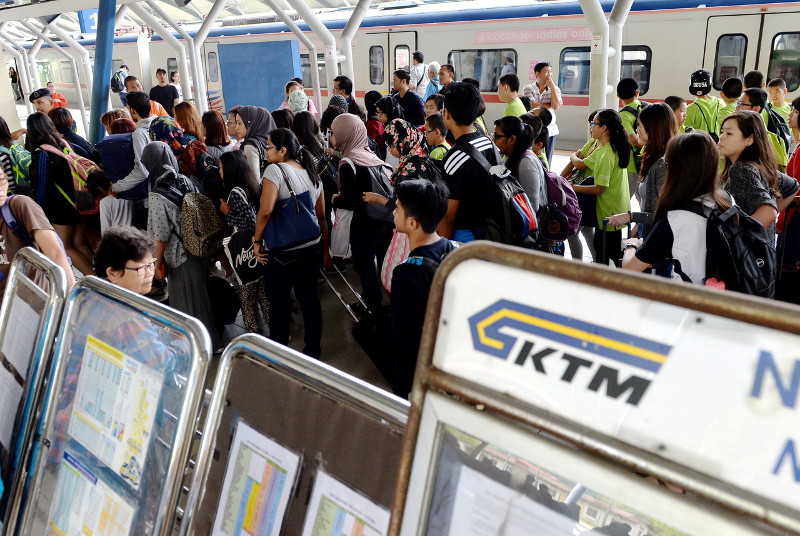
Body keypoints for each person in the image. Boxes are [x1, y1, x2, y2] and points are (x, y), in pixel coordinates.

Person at [252, 128, 329, 358]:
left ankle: (280, 353)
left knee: (278, 303)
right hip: (312, 245)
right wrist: (326, 251)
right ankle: (313, 351)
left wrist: (257, 241)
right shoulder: (312, 171)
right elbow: (322, 216)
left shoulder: (275, 170)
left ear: (282, 151)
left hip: (283, 252)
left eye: (268, 147)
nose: (265, 151)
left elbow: (265, 212)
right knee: (309, 300)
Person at [622, 131, 731, 284]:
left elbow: (629, 268)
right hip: (723, 294)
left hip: (687, 298)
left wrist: (631, 244)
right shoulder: (726, 199)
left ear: (676, 169)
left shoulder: (676, 218)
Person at [143, 141, 220, 347]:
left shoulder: (158, 194)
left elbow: (160, 235)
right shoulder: (187, 180)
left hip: (180, 256)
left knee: (189, 304)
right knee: (201, 297)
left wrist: (154, 266)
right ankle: (210, 340)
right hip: (198, 247)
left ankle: (201, 347)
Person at [390, 179, 455, 398]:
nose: (394, 213)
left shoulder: (407, 274)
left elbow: (404, 339)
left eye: (398, 209)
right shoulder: (453, 250)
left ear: (412, 223)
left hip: (421, 374)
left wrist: (402, 387)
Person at [330, 114, 392, 313]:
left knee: (365, 266)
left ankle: (372, 304)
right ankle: (388, 300)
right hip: (384, 220)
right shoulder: (371, 155)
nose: (331, 137)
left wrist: (335, 199)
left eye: (333, 132)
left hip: (364, 225)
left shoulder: (348, 163)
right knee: (382, 264)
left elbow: (354, 201)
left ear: (345, 134)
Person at [26, 112, 94, 275]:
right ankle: (97, 276)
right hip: (80, 200)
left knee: (65, 246)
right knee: (79, 242)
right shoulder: (63, 143)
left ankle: (94, 280)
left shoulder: (41, 153)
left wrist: (40, 212)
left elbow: (41, 187)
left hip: (61, 209)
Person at [718, 111, 798, 245]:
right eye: (722, 132)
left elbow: (768, 212)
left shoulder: (741, 169)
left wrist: (737, 240)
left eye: (729, 133)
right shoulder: (759, 167)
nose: (721, 137)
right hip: (762, 256)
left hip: (747, 259)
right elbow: (792, 186)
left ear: (749, 139)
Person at [439, 82, 502, 242]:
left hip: (465, 238)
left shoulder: (455, 157)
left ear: (447, 114)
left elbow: (448, 218)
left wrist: (440, 251)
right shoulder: (489, 144)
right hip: (492, 230)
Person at [608, 103, 679, 245]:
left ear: (653, 128)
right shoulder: (655, 158)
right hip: (649, 237)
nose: (636, 130)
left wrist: (630, 216)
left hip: (659, 244)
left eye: (639, 125)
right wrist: (636, 229)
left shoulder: (662, 164)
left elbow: (665, 214)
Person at [0, 167, 75, 298]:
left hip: (37, 304)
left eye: (1, 179)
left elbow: (55, 253)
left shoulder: (19, 206)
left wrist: (73, 300)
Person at [570, 109, 631, 266]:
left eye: (593, 124)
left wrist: (574, 187)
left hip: (609, 211)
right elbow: (580, 163)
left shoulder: (607, 154)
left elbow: (599, 188)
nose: (591, 127)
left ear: (603, 128)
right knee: (606, 250)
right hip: (616, 208)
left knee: (608, 253)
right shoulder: (607, 148)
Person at [218, 150, 269, 334]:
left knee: (246, 296)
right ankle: (277, 331)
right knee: (264, 293)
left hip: (245, 252)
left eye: (221, 167)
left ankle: (254, 335)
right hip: (258, 248)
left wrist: (227, 213)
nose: (219, 171)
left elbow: (249, 221)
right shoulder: (251, 186)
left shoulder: (235, 193)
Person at [493, 115, 545, 212]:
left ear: (512, 139)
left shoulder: (526, 163)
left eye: (497, 136)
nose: (493, 141)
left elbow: (532, 207)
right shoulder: (512, 158)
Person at [111, 92, 155, 201]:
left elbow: (142, 171)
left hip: (155, 191)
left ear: (133, 110)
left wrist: (116, 187)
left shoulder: (139, 134)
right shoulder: (159, 123)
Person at [737, 88, 789, 168]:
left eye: (741, 104)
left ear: (756, 108)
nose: (737, 107)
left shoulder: (760, 136)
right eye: (737, 103)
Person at [522, 62, 563, 165]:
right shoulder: (528, 88)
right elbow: (532, 105)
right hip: (533, 128)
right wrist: (549, 104)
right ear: (537, 74)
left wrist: (552, 87)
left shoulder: (555, 89)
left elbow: (556, 106)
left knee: (546, 160)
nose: (549, 75)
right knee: (531, 157)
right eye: (546, 72)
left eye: (550, 72)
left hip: (550, 130)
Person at [617, 78, 646, 196]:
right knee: (643, 196)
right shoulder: (647, 106)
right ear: (637, 93)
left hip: (633, 163)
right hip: (649, 159)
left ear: (618, 95)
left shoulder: (623, 115)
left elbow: (634, 140)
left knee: (625, 196)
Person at [236, 105, 276, 192]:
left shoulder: (250, 145)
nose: (236, 127)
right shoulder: (270, 143)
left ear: (250, 123)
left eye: (239, 123)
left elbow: (254, 181)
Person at [86, 169, 134, 233]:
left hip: (116, 239)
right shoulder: (126, 194)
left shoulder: (105, 202)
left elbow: (105, 231)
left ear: (99, 189)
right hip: (132, 235)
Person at [684, 69, 722, 138]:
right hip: (718, 147)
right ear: (711, 85)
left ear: (691, 86)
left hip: (699, 147)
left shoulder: (689, 109)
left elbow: (685, 133)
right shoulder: (722, 103)